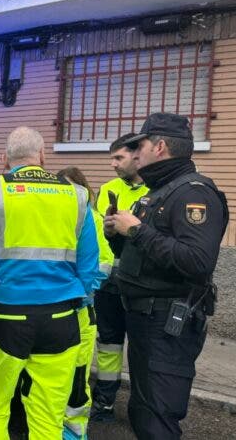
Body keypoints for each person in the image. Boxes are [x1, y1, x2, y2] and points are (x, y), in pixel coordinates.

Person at [0, 127, 101, 440]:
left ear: (5, 159)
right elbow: (89, 264)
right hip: (61, 318)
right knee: (47, 418)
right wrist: (79, 295)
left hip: (6, 315)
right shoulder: (77, 195)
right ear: (43, 156)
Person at [104, 113, 228, 440]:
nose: (134, 155)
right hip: (146, 320)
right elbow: (143, 253)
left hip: (167, 323)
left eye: (139, 146)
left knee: (157, 418)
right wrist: (119, 234)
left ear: (159, 147)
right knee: (143, 413)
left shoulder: (193, 193)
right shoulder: (159, 192)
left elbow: (197, 260)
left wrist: (139, 231)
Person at [90, 135, 148, 422]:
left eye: (118, 158)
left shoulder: (158, 191)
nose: (112, 164)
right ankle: (104, 402)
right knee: (109, 344)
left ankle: (143, 409)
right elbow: (98, 235)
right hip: (109, 282)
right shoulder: (107, 189)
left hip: (141, 284)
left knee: (142, 349)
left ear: (138, 157)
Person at [57, 167, 111, 440]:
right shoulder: (56, 217)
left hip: (79, 310)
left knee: (77, 380)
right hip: (57, 310)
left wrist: (80, 289)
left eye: (72, 188)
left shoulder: (93, 218)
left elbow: (104, 264)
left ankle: (74, 433)